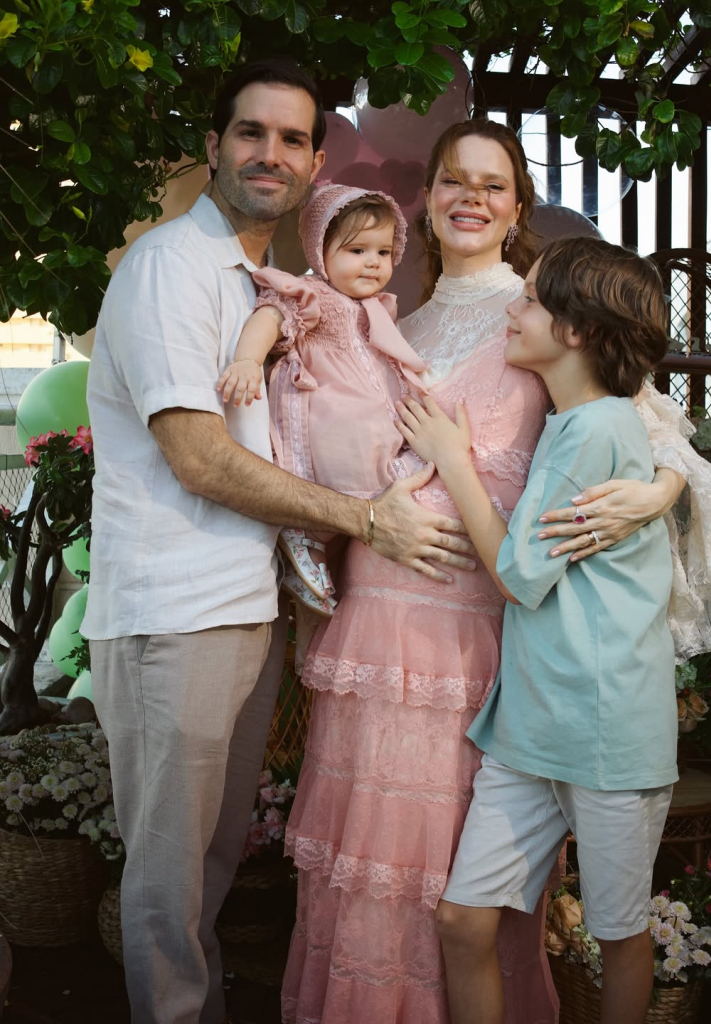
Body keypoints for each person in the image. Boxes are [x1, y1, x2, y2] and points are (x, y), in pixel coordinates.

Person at [280, 119, 711, 1024]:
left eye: (493, 185)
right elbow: (308, 446)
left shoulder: (550, 313)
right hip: (377, 626)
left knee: (463, 879)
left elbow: (659, 435)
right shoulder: (383, 322)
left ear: (518, 207)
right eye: (454, 179)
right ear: (427, 199)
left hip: (484, 639)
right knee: (372, 864)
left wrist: (657, 491)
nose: (472, 198)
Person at [81, 59, 476, 1024]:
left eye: (294, 138)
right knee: (169, 882)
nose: (272, 153)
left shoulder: (263, 283)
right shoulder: (171, 268)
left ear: (314, 165)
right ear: (213, 146)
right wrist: (364, 520)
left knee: (212, 866)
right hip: (176, 613)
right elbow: (197, 457)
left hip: (244, 608)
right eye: (251, 132)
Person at [396, 237, 680, 1024]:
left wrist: (451, 458)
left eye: (528, 300)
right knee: (463, 920)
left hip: (606, 732)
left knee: (618, 934)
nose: (511, 313)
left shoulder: (595, 429)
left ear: (577, 329)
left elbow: (520, 576)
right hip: (533, 727)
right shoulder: (574, 422)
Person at [216, 183, 427, 617]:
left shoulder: (376, 306)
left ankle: (330, 552)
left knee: (389, 458)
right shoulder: (313, 294)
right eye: (357, 250)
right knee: (343, 463)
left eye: (383, 252)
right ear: (319, 250)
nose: (373, 262)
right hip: (329, 409)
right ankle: (303, 536)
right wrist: (247, 360)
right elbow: (270, 317)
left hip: (370, 407)